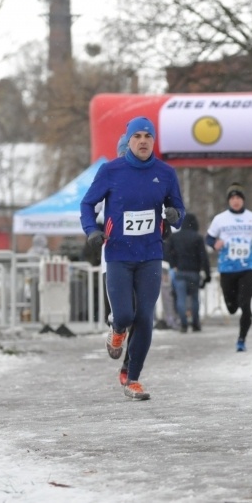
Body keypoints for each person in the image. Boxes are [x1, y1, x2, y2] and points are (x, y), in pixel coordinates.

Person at [80, 116, 185, 400]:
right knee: (125, 314)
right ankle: (116, 330)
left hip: (150, 254)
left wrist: (176, 216)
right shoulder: (111, 170)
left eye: (147, 136)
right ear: (128, 140)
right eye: (137, 136)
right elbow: (88, 204)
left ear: (153, 141)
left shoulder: (166, 173)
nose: (142, 141)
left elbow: (178, 209)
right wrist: (91, 230)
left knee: (145, 317)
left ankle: (133, 378)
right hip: (118, 254)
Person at [206, 183, 252, 351]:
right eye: (232, 198)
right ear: (229, 201)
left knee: (245, 304)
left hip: (247, 268)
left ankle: (241, 339)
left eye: (238, 198)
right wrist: (215, 244)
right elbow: (208, 239)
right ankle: (232, 305)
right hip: (227, 268)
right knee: (231, 307)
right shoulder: (220, 219)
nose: (235, 201)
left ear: (243, 200)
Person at [166, 213, 211, 333]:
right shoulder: (197, 238)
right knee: (195, 299)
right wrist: (207, 274)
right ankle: (196, 324)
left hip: (180, 271)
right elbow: (204, 257)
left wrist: (173, 265)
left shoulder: (175, 237)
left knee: (181, 299)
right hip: (194, 272)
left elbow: (168, 253)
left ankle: (184, 324)